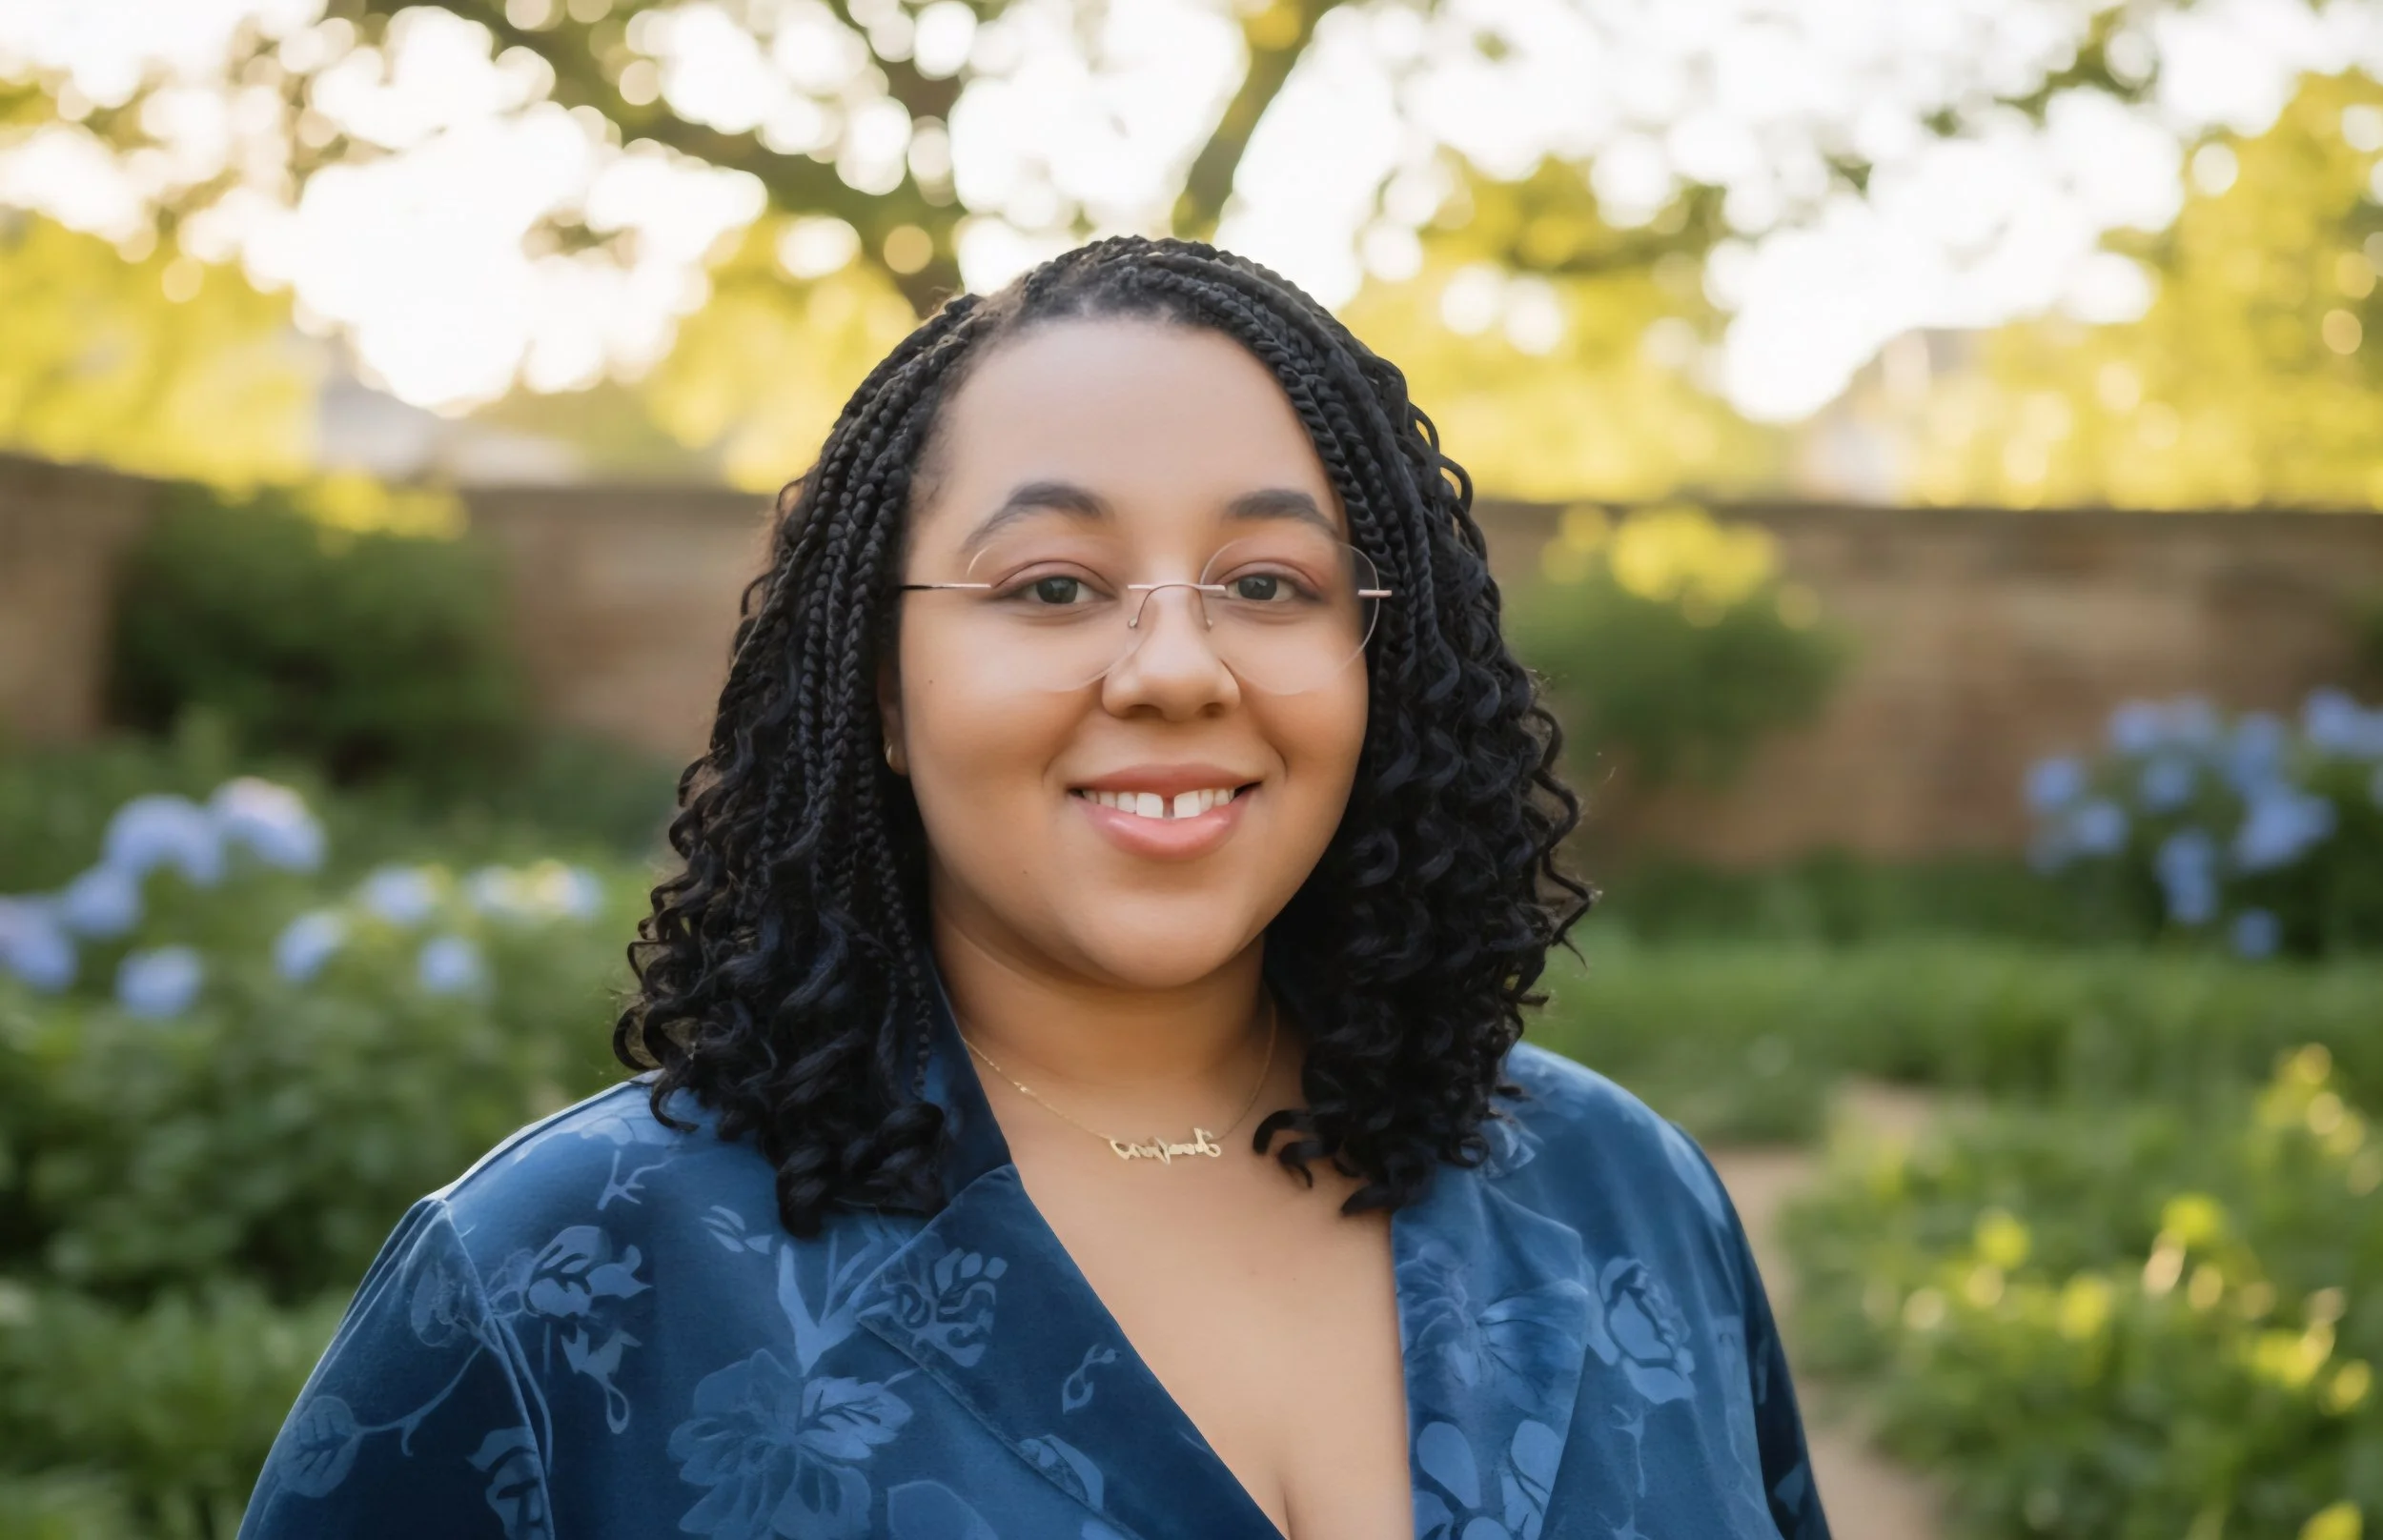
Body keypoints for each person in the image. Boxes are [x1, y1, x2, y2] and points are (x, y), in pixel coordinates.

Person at [238, 236, 1831, 1540]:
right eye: (1052, 586)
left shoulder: (1624, 1197)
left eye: (1269, 583)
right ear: (878, 681)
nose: (1175, 667)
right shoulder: (567, 1285)